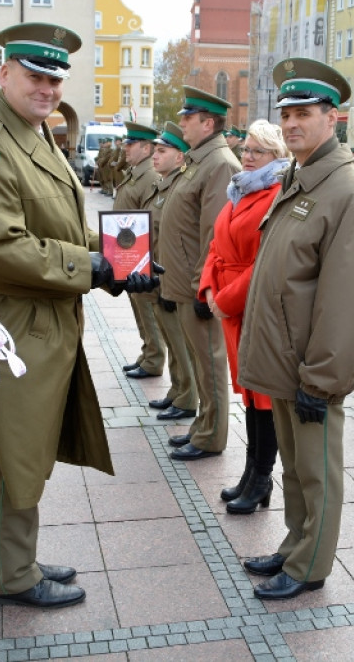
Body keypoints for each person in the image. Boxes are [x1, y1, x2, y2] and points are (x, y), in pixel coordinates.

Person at [0, 22, 157, 610]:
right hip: (15, 322)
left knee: (21, 449)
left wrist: (124, 259)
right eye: (34, 76)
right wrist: (96, 267)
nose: (46, 88)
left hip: (44, 319)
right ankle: (13, 575)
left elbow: (62, 227)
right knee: (21, 452)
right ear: (4, 73)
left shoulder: (37, 137)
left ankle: (16, 560)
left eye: (54, 79)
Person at [237, 58, 354, 600]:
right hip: (285, 358)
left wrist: (321, 378)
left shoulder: (350, 194)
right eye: (287, 114)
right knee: (297, 469)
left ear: (333, 118)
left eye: (305, 113)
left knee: (318, 471)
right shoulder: (301, 181)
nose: (293, 124)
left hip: (310, 368)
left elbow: (351, 306)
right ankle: (295, 544)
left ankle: (311, 564)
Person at [200, 119, 289, 514]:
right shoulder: (239, 189)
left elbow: (266, 262)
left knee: (263, 395)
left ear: (277, 156)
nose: (248, 157)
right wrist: (207, 288)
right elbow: (216, 246)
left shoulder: (275, 194)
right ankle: (252, 474)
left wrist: (226, 300)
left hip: (254, 305)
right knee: (250, 392)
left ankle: (262, 477)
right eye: (246, 149)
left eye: (258, 151)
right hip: (229, 302)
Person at [161, 85, 241, 461]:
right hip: (182, 282)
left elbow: (214, 234)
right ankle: (201, 425)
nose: (182, 124)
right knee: (198, 360)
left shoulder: (220, 162)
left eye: (187, 118)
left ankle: (211, 435)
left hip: (200, 287)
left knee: (209, 364)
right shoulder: (199, 159)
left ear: (207, 123)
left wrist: (202, 289)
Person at [143, 123, 199, 421]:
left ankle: (188, 398)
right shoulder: (163, 185)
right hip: (157, 277)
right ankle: (178, 391)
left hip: (173, 280)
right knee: (173, 342)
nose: (155, 156)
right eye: (155, 150)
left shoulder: (178, 186)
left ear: (180, 157)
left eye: (162, 151)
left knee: (181, 344)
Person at [113, 122, 165, 382]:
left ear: (146, 148)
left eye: (131, 144)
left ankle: (155, 358)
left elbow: (152, 220)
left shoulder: (151, 176)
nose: (125, 148)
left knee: (147, 306)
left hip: (142, 254)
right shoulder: (135, 172)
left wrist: (144, 257)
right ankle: (148, 352)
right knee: (137, 305)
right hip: (128, 252)